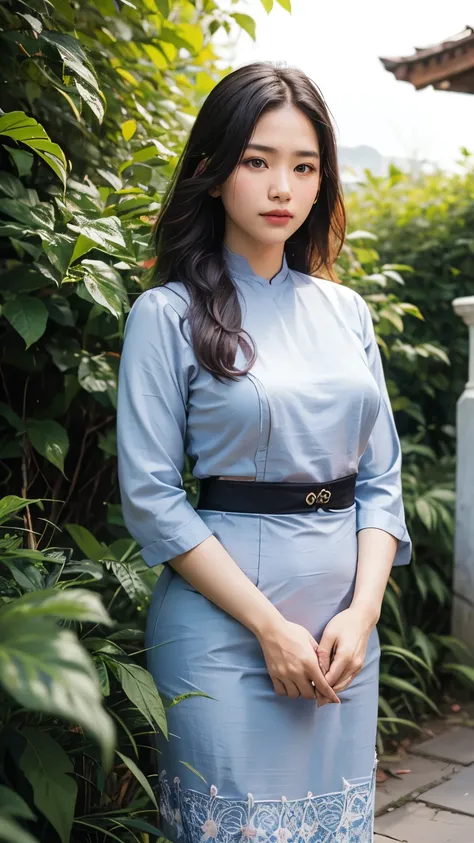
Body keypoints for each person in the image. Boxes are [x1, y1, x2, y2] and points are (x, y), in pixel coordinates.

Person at [116, 61, 412, 843]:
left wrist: (364, 610)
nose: (283, 185)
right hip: (223, 634)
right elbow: (150, 496)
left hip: (343, 640)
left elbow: (381, 480)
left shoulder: (346, 312)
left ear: (322, 183)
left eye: (304, 166)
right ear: (213, 174)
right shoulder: (165, 314)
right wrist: (268, 627)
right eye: (258, 160)